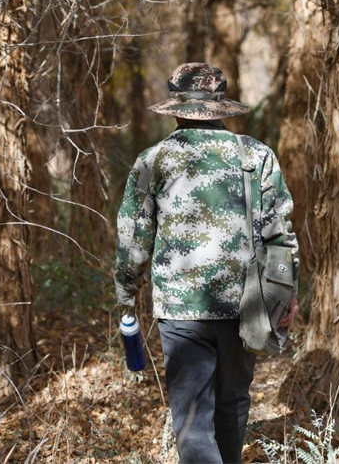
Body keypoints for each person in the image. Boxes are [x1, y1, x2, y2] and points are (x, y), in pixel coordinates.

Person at [114, 62, 299, 463]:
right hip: (245, 303)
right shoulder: (256, 155)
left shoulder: (154, 160)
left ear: (177, 108)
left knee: (193, 415)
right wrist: (288, 296)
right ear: (219, 107)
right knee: (232, 405)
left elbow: (134, 237)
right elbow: (280, 233)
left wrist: (126, 292)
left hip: (180, 310)